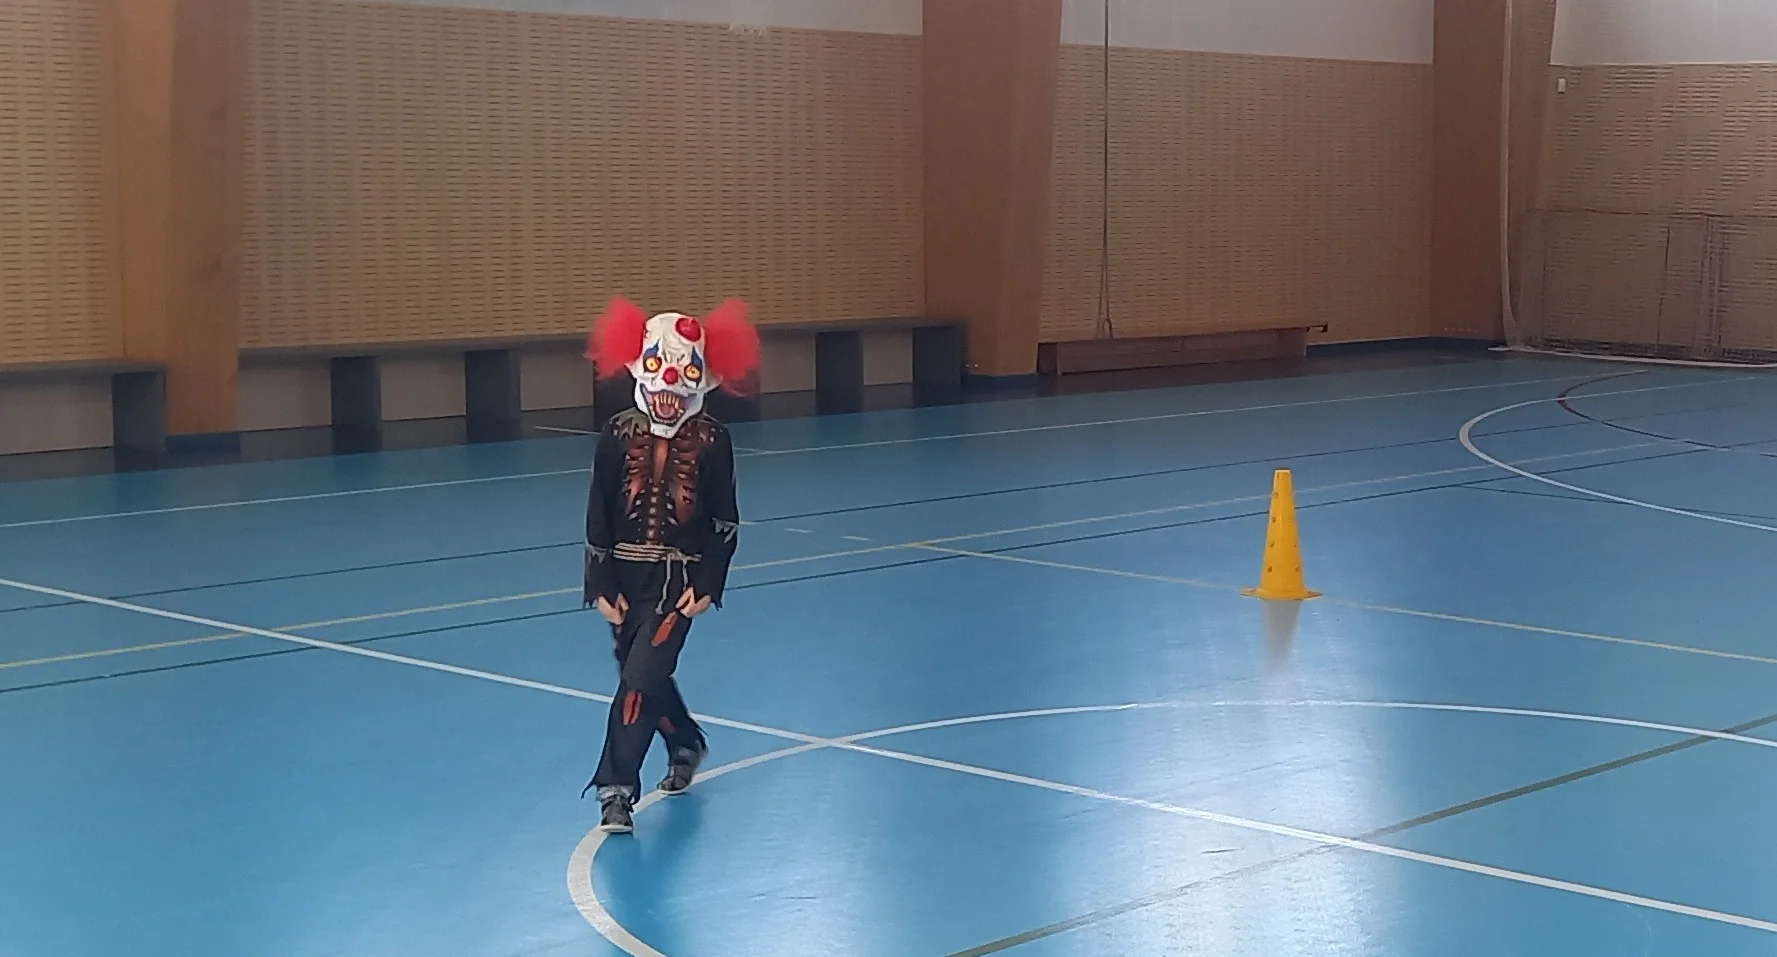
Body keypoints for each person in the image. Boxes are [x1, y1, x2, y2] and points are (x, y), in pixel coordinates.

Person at [580, 296, 759, 835]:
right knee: (639, 671)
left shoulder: (712, 440)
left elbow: (724, 519)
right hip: (624, 577)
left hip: (676, 586)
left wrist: (709, 580)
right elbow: (598, 510)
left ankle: (615, 790)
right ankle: (684, 741)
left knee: (639, 680)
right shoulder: (617, 434)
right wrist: (599, 581)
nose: (669, 389)